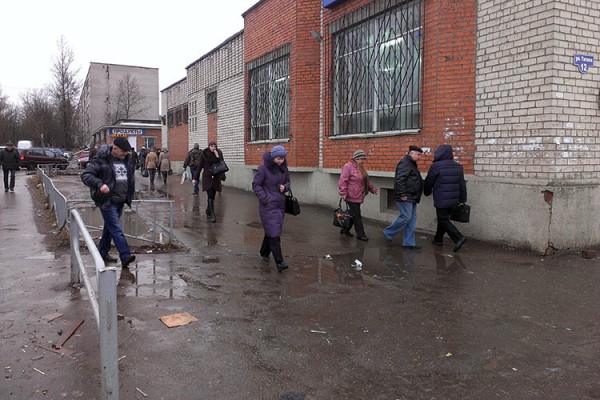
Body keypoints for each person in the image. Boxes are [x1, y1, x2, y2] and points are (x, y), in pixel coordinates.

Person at [80, 137, 136, 268]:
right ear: (114, 148)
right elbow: (86, 175)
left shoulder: (126, 160)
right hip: (107, 200)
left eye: (127, 152)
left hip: (121, 200)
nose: (125, 154)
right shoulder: (101, 159)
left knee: (109, 229)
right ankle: (125, 256)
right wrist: (100, 184)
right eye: (123, 151)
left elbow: (129, 178)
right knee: (116, 228)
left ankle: (102, 253)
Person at [252, 145, 291, 273]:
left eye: (283, 159)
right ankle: (280, 262)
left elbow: (288, 182)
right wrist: (265, 198)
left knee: (273, 230)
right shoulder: (263, 168)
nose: (281, 161)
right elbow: (256, 185)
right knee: (274, 234)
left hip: (280, 205)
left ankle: (264, 252)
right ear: (273, 157)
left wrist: (284, 187)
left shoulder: (283, 168)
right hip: (268, 206)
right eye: (279, 158)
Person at [424, 144, 467, 252]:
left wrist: (426, 192)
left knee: (443, 219)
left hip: (441, 199)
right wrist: (462, 199)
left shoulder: (436, 166)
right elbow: (462, 184)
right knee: (443, 219)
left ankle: (458, 237)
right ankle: (438, 239)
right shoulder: (458, 166)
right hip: (454, 200)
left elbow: (429, 181)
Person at [383, 145, 424, 249]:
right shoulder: (405, 163)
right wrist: (402, 194)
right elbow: (400, 179)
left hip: (412, 196)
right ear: (411, 153)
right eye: (418, 154)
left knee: (411, 220)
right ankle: (388, 232)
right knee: (406, 217)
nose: (420, 157)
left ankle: (409, 243)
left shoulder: (411, 164)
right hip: (406, 196)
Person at [338, 149, 378, 241]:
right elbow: (343, 180)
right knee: (357, 215)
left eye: (364, 159)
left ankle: (345, 229)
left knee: (353, 214)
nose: (363, 161)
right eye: (362, 159)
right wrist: (343, 193)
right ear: (357, 158)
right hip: (351, 195)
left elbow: (365, 181)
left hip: (359, 194)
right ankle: (361, 235)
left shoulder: (361, 167)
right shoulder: (348, 166)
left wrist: (372, 189)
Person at [192, 141, 225, 223]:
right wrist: (195, 178)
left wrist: (217, 156)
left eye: (215, 146)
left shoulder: (219, 153)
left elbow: (222, 164)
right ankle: (212, 214)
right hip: (207, 177)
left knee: (213, 195)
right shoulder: (204, 154)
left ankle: (208, 210)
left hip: (216, 177)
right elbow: (199, 167)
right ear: (209, 146)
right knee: (210, 194)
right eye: (212, 146)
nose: (213, 148)